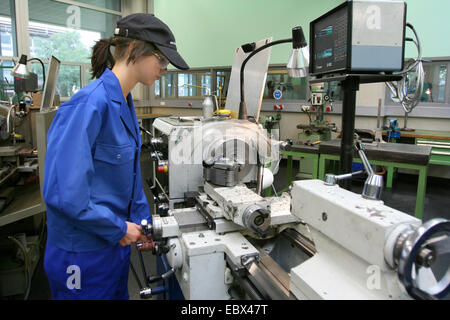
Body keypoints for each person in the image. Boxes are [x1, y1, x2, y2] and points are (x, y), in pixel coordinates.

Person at [42, 13, 189, 300]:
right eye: (160, 59)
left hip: (113, 245)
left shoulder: (124, 102)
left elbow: (129, 178)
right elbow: (64, 195)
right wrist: (118, 227)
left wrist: (144, 225)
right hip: (81, 253)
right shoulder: (87, 106)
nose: (164, 68)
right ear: (134, 49)